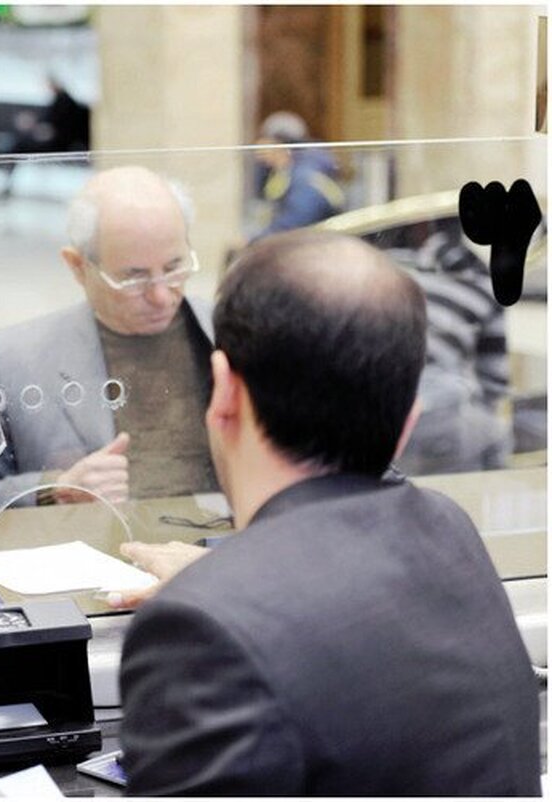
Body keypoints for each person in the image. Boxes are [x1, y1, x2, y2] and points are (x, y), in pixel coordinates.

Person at [118, 230, 540, 795]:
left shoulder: (196, 629)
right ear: (408, 417)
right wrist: (225, 583)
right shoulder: (448, 528)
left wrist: (221, 593)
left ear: (222, 392)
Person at [0, 167, 218, 507]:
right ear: (77, 267)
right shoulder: (15, 358)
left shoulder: (234, 337)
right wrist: (53, 487)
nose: (162, 296)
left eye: (175, 267)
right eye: (134, 278)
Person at [384, 218, 513, 474]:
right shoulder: (481, 280)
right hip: (447, 422)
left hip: (379, 416)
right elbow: (494, 383)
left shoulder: (373, 273)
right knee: (492, 438)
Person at [249, 110, 344, 241]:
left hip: (314, 247)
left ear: (279, 144)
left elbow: (295, 221)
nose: (259, 146)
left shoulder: (305, 176)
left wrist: (254, 241)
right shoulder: (282, 173)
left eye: (264, 139)